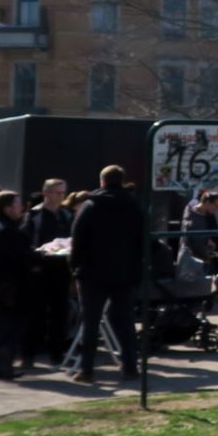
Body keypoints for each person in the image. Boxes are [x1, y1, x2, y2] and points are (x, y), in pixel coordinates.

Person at [69, 165, 144, 384]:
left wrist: (75, 267)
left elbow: (78, 239)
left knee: (90, 321)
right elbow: (143, 239)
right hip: (125, 272)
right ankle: (130, 366)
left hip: (93, 272)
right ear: (122, 181)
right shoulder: (133, 206)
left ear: (102, 181)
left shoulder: (91, 206)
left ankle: (86, 369)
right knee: (126, 320)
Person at [0, 191, 34, 380]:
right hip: (7, 290)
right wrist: (39, 256)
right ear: (7, 208)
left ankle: (2, 366)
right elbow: (20, 258)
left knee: (6, 328)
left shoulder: (4, 228)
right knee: (5, 328)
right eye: (18, 204)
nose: (22, 208)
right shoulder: (6, 231)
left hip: (4, 288)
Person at [22, 179, 74, 370]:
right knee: (35, 314)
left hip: (61, 268)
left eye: (63, 193)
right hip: (40, 270)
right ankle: (29, 354)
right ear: (46, 193)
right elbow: (26, 241)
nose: (61, 197)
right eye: (57, 193)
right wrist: (35, 260)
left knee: (60, 313)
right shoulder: (34, 215)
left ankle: (56, 353)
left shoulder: (65, 215)